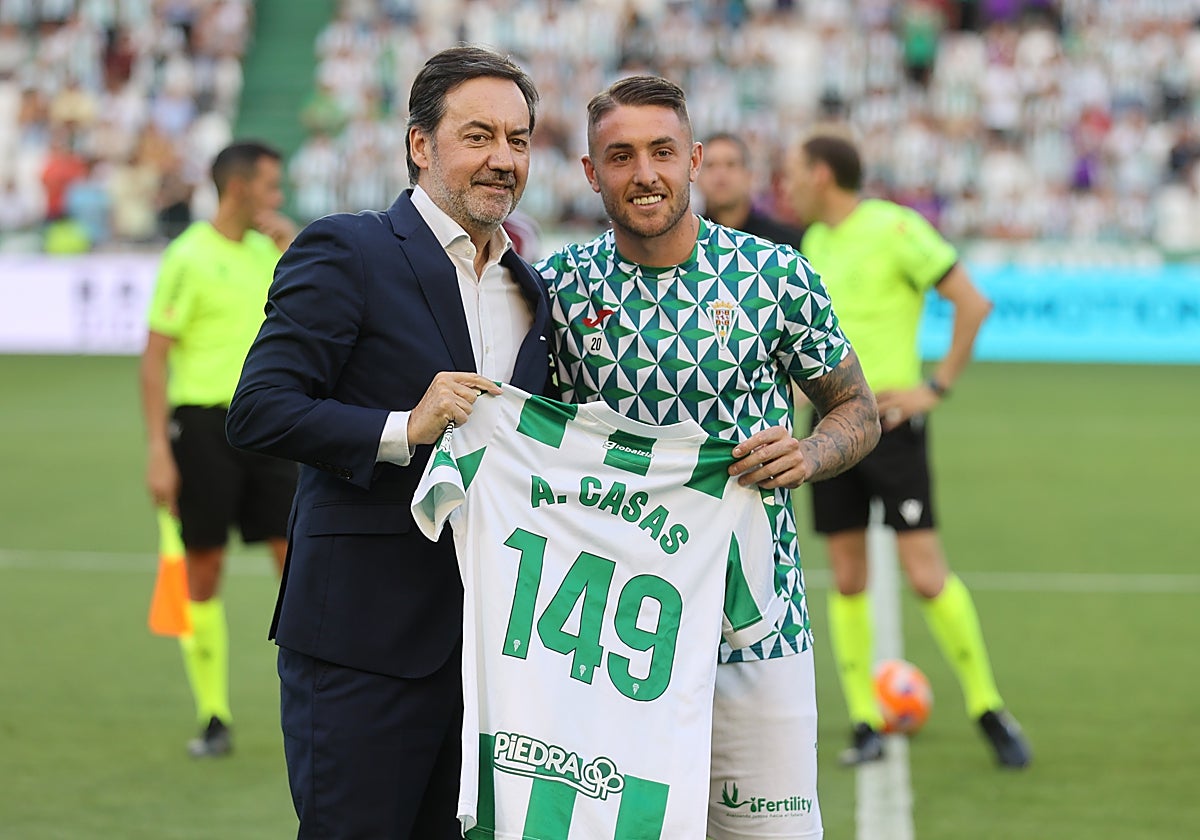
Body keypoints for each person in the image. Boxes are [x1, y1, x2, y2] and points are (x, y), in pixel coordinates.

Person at [537, 76, 881, 840]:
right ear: (590, 172)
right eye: (620, 156)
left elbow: (856, 409)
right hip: (606, 639)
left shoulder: (775, 276)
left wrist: (809, 453)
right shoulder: (558, 290)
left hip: (756, 626)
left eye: (662, 151)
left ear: (693, 160)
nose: (645, 173)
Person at [225, 46, 555, 839]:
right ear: (420, 143)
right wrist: (404, 427)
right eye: (478, 136)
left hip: (496, 662)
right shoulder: (348, 249)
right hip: (362, 648)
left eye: (517, 140)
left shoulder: (529, 288)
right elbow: (259, 409)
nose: (502, 158)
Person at [784, 129, 1032, 769]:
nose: (787, 186)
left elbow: (971, 302)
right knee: (847, 577)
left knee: (926, 575)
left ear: (821, 175)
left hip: (891, 429)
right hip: (829, 432)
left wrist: (934, 387)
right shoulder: (813, 243)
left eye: (794, 173)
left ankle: (988, 707)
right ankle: (864, 720)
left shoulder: (895, 228)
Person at [139, 140, 300, 758]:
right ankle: (214, 714)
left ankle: (316, 697)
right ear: (239, 188)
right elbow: (154, 360)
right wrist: (159, 450)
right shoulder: (188, 256)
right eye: (270, 186)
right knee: (203, 566)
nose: (277, 197)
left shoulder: (271, 250)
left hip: (272, 424)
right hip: (204, 427)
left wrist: (292, 247)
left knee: (297, 561)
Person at [697, 131, 806, 249]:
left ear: (749, 175)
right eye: (710, 165)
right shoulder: (691, 244)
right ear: (695, 175)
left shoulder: (782, 244)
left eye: (731, 164)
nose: (721, 174)